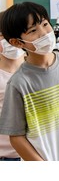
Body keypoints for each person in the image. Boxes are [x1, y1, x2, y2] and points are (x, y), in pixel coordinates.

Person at [0, 2, 59, 161]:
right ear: (17, 42)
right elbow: (16, 136)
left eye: (45, 24)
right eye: (33, 31)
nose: (44, 33)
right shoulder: (18, 83)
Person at [0, 11, 25, 161]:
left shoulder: (35, 72)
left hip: (35, 153)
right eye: (4, 36)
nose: (11, 41)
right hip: (6, 156)